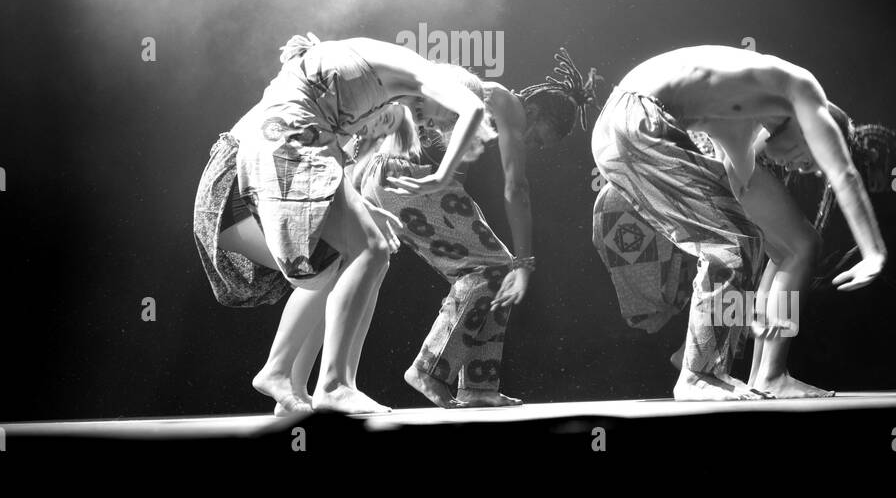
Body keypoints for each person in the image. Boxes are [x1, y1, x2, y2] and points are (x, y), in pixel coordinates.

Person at [191, 33, 493, 414]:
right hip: (250, 170)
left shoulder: (358, 98)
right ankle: (327, 384)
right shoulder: (416, 72)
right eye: (439, 117)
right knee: (366, 251)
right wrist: (440, 176)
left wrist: (372, 215)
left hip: (272, 157)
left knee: (353, 257)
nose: (429, 123)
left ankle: (294, 385)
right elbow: (472, 109)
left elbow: (332, 163)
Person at [590, 45, 887, 400]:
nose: (801, 170)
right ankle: (702, 372)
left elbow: (740, 191)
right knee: (754, 244)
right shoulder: (801, 89)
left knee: (763, 244)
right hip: (637, 124)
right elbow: (844, 174)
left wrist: (750, 307)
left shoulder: (743, 117)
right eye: (810, 161)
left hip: (624, 131)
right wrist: (873, 253)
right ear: (816, 129)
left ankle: (754, 371)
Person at [350, 49, 602, 408]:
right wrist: (525, 262)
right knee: (496, 268)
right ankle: (430, 369)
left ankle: (479, 386)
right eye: (537, 138)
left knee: (495, 273)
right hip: (401, 178)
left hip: (386, 177)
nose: (531, 146)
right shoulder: (508, 106)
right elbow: (517, 188)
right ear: (531, 111)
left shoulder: (478, 103)